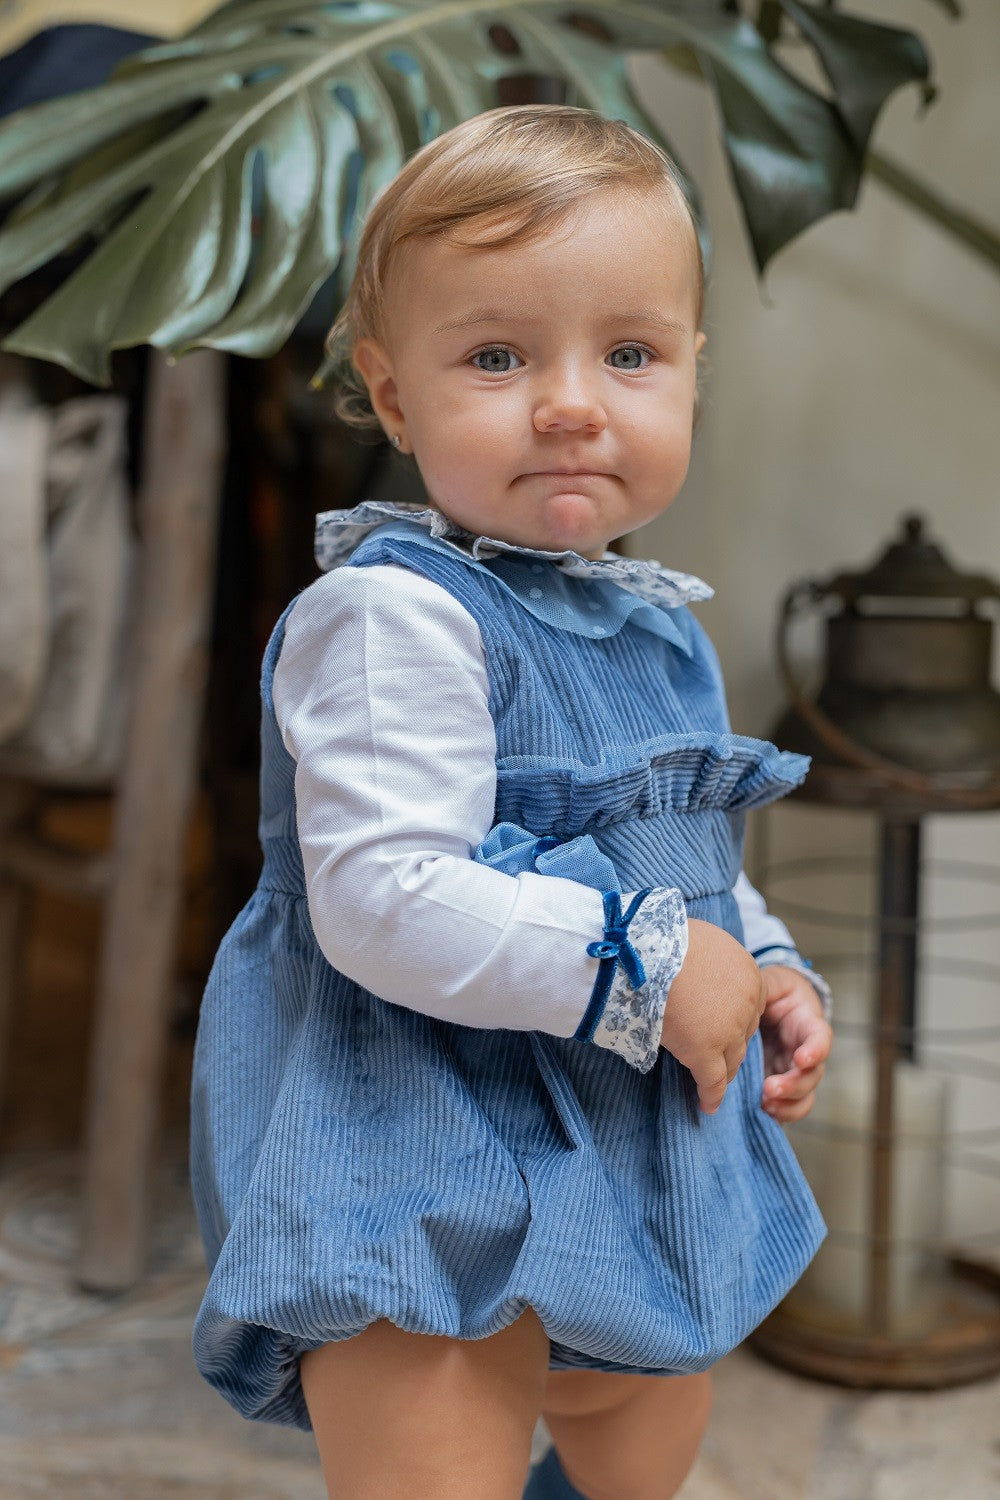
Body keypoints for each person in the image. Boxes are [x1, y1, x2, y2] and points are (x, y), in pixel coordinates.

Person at [190, 105, 833, 1500]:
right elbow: (382, 899)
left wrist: (764, 960)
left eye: (631, 354)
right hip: (422, 1144)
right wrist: (653, 972)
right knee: (436, 1462)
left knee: (647, 1438)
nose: (571, 401)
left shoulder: (659, 629)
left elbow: (682, 848)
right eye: (496, 355)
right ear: (396, 394)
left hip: (621, 1142)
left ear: (690, 376)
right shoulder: (387, 618)